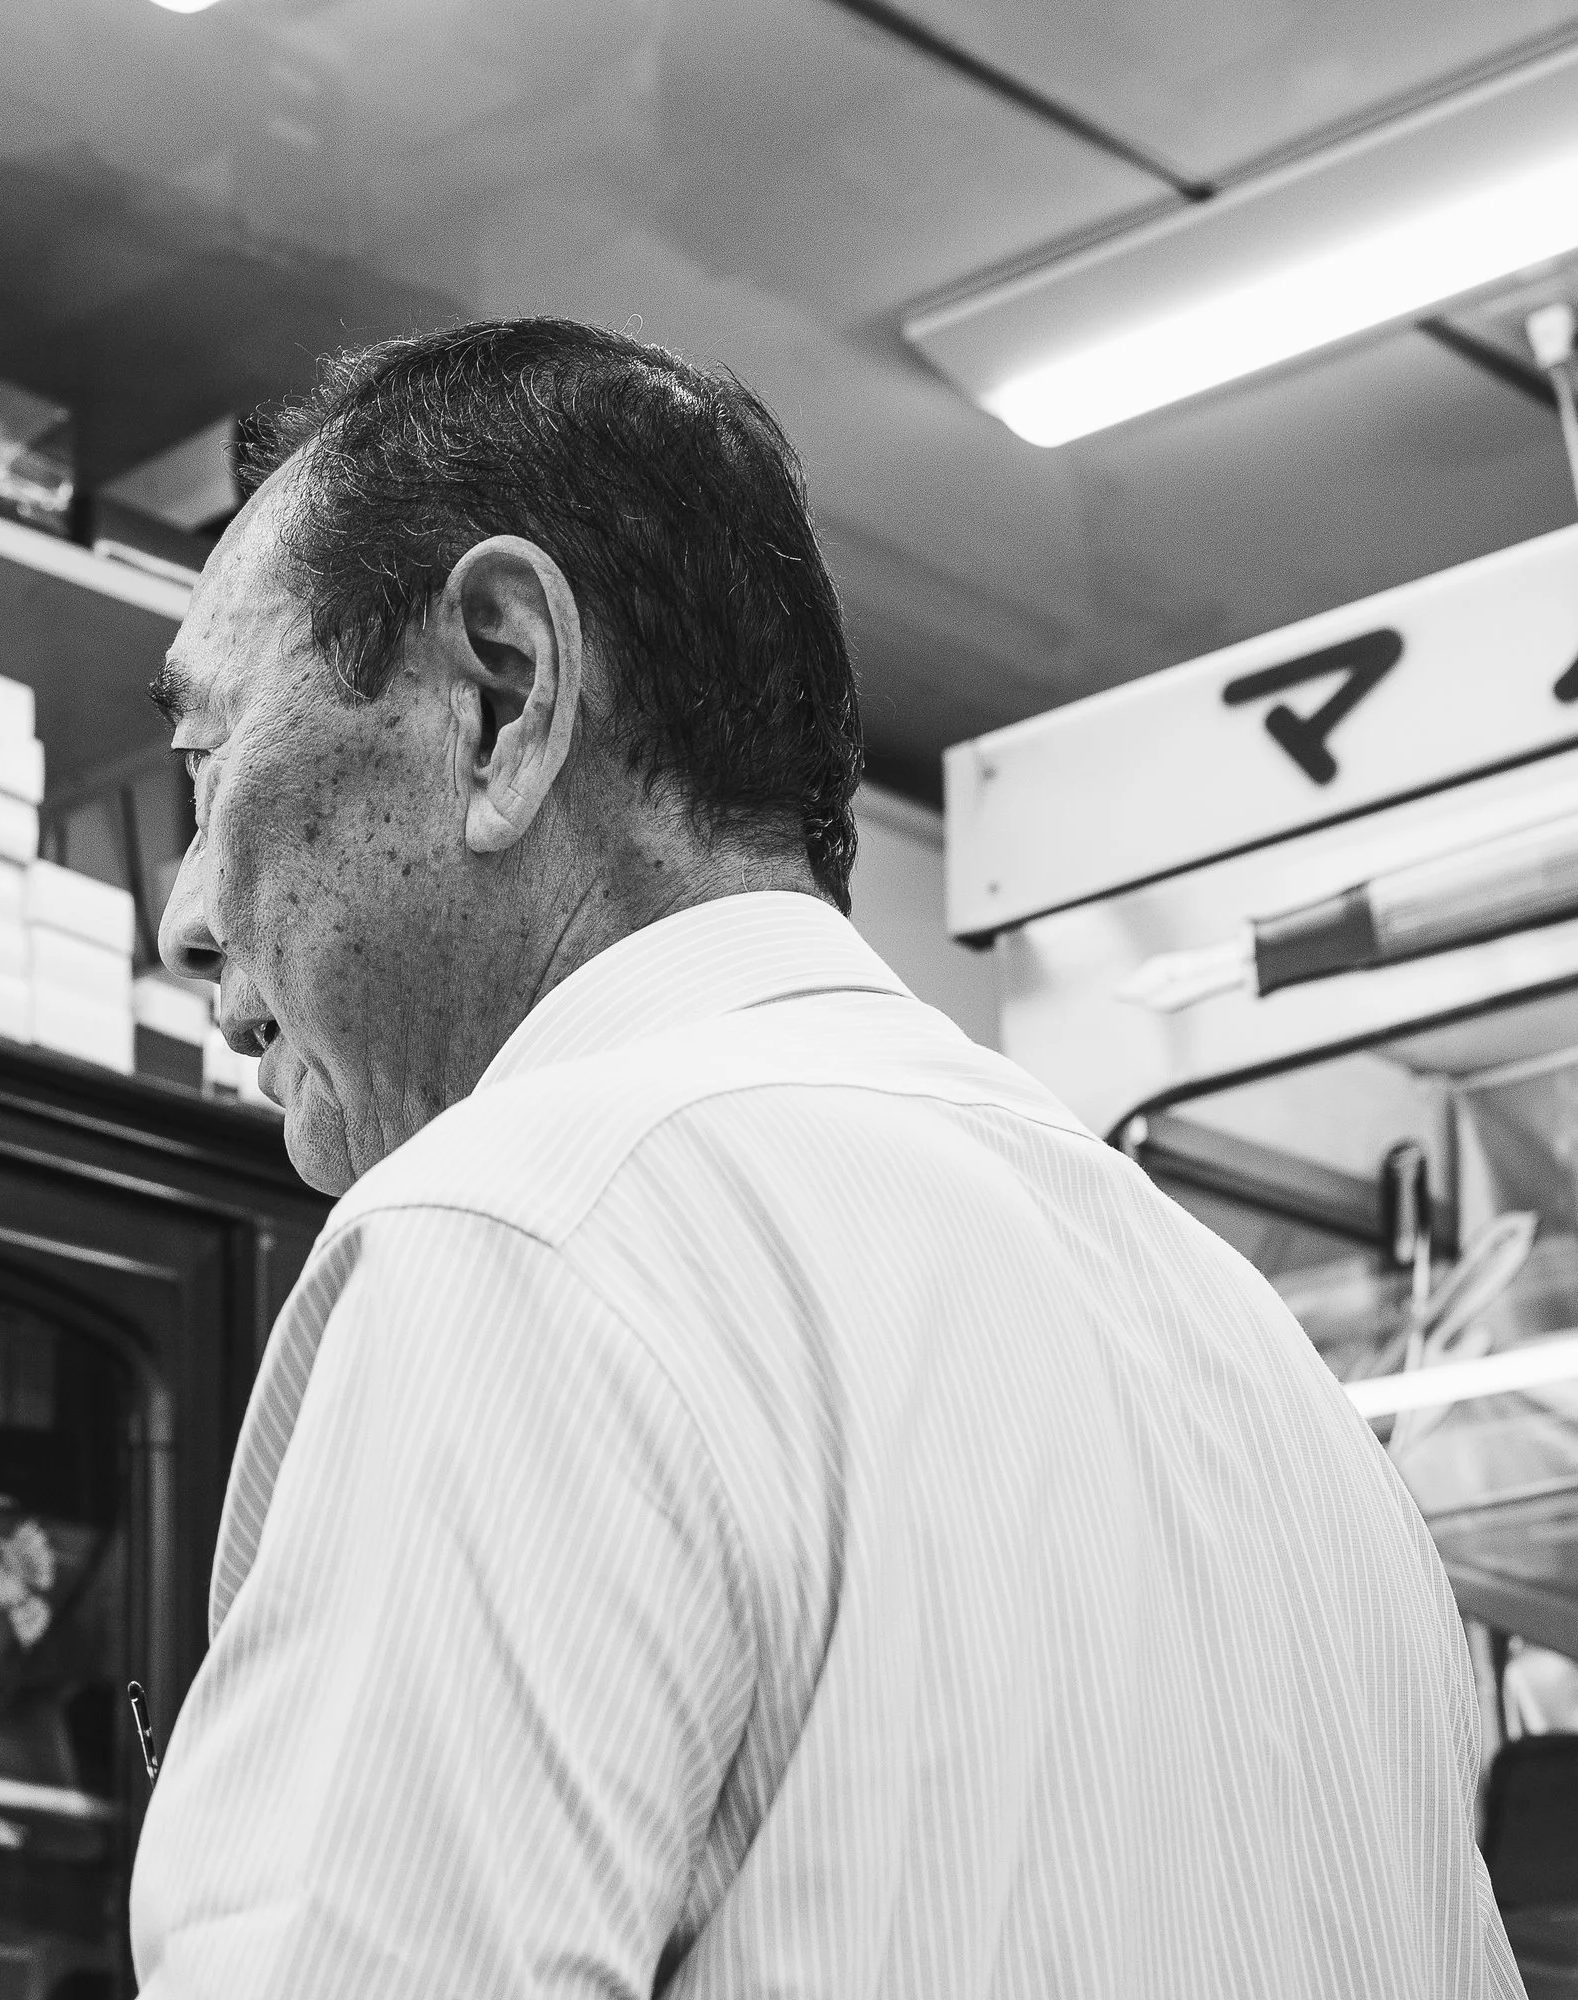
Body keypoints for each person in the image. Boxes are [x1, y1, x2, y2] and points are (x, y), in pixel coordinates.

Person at [128, 318, 1515, 1998]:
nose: (189, 920)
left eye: (212, 768)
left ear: (502, 694)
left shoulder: (530, 1236)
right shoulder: (1268, 1381)